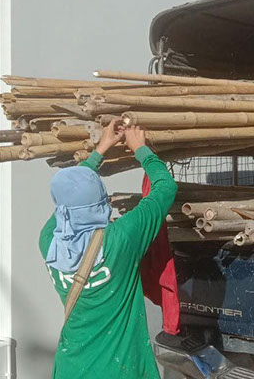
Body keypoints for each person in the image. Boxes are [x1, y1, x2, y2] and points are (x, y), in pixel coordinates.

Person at [39, 120, 178, 378]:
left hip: (71, 368)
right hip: (120, 369)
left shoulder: (48, 241)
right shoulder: (120, 239)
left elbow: (70, 197)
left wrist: (101, 148)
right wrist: (140, 149)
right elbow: (166, 187)